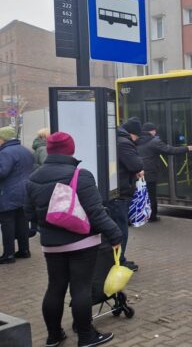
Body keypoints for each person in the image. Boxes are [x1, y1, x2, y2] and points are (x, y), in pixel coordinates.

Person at [24, 132, 122, 347]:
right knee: (80, 289)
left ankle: (54, 336)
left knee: (55, 287)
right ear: (70, 150)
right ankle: (86, 337)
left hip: (51, 246)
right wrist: (115, 235)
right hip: (82, 243)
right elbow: (96, 212)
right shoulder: (81, 175)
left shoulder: (32, 178)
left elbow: (30, 215)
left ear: (49, 150)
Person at [136, 122, 192, 222]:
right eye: (154, 130)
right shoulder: (153, 141)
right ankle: (152, 217)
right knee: (151, 195)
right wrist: (187, 148)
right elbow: (170, 150)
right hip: (150, 173)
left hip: (139, 172)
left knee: (142, 195)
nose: (155, 132)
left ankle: (140, 215)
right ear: (151, 131)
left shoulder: (137, 141)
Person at [107, 118, 143, 271]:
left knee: (118, 227)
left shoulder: (115, 138)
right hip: (120, 192)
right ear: (133, 134)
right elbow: (135, 164)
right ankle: (118, 262)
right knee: (121, 229)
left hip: (116, 189)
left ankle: (117, 260)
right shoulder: (124, 142)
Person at [0, 126, 34, 264]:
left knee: (7, 223)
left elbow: (2, 172)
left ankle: (8, 254)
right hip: (25, 191)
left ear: (3, 139)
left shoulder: (5, 153)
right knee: (22, 222)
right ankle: (24, 250)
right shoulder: (25, 150)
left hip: (8, 192)